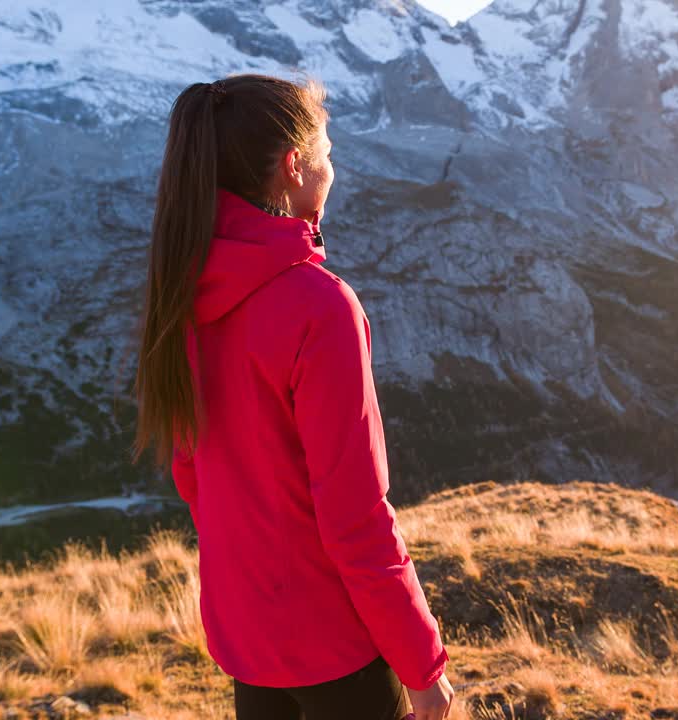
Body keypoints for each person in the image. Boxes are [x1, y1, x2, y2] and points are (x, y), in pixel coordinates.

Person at [131, 72, 455, 720]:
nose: (334, 170)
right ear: (293, 167)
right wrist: (424, 669)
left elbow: (193, 476)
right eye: (328, 155)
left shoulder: (184, 290)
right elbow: (356, 519)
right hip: (335, 650)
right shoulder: (319, 307)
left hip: (249, 644)